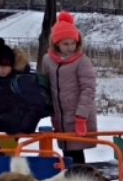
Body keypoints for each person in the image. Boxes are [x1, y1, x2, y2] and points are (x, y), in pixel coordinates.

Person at [0, 38, 47, 152]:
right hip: (5, 116)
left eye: (5, 66)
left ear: (12, 64)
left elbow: (37, 105)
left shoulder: (22, 80)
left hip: (19, 119)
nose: (1, 70)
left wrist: (27, 126)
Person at [41, 11, 97, 164]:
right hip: (60, 116)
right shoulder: (48, 60)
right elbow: (46, 86)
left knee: (76, 154)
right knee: (67, 154)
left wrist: (81, 117)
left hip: (79, 115)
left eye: (73, 43)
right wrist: (50, 111)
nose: (70, 47)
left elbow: (88, 89)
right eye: (66, 43)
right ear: (56, 42)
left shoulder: (81, 61)